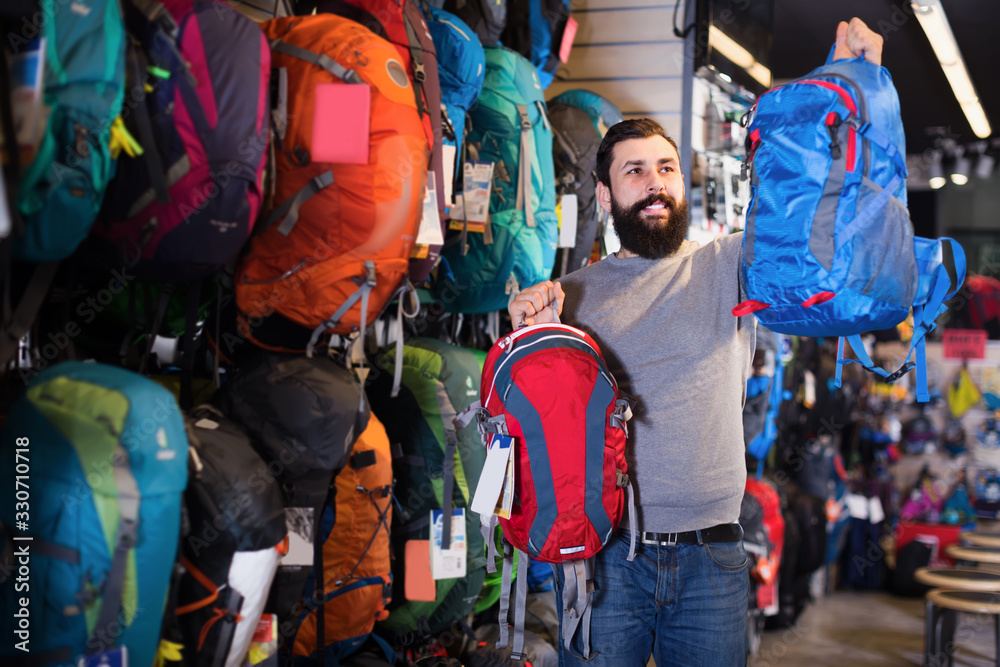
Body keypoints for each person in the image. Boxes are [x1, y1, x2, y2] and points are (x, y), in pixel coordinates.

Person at [508, 18, 884, 667]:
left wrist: (853, 85)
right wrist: (522, 331)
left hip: (713, 557)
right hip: (607, 560)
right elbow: (537, 422)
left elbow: (813, 211)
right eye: (634, 172)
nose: (655, 181)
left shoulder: (728, 264)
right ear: (604, 193)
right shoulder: (567, 296)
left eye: (666, 167)